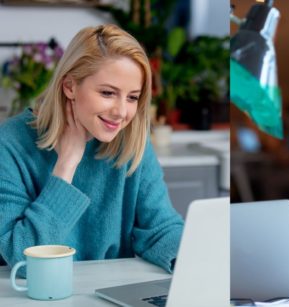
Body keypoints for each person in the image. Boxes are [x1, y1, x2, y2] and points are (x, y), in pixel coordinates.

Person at [0, 24, 184, 274]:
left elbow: (161, 229)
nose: (121, 112)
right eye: (108, 93)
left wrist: (198, 260)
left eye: (132, 97)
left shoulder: (131, 140)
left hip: (111, 291)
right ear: (70, 86)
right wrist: (67, 163)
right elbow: (23, 260)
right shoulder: (10, 142)